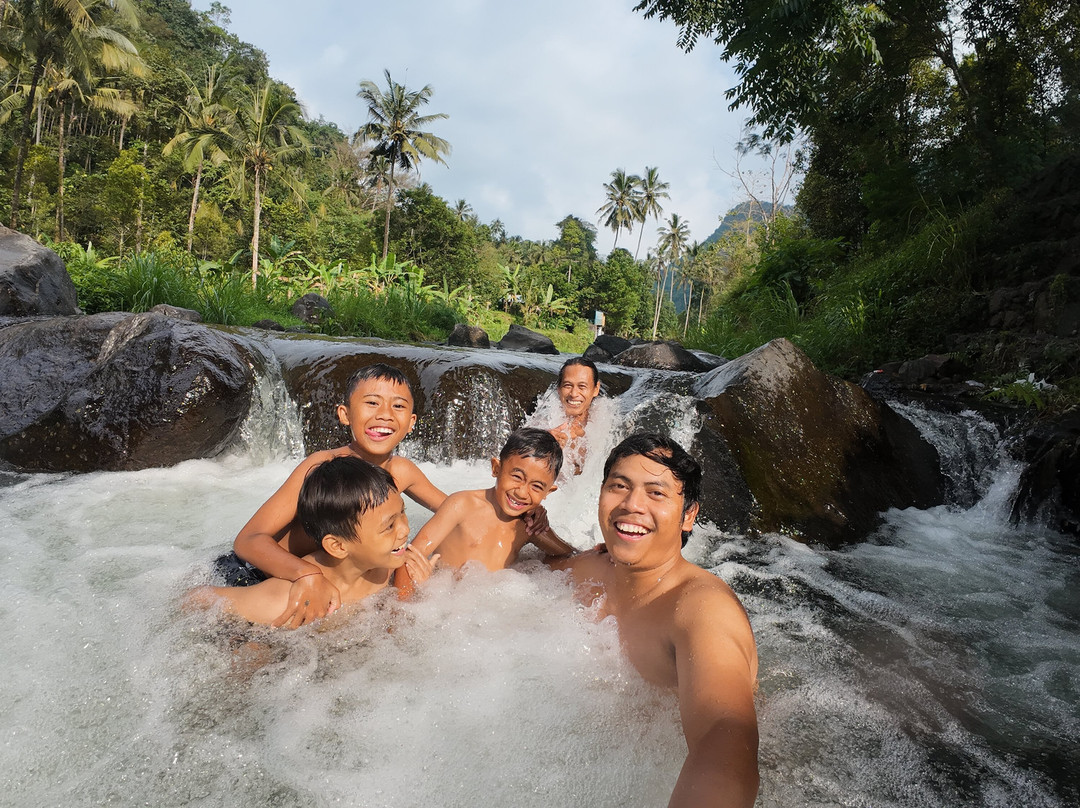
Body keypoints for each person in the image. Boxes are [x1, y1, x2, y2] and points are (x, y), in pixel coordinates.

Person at [552, 433, 759, 808]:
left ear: (689, 515)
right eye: (619, 486)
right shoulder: (593, 568)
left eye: (656, 493)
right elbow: (519, 570)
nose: (632, 505)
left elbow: (724, 743)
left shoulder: (701, 608)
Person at [229, 363, 447, 627]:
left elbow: (457, 510)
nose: (386, 415)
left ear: (412, 422)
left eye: (398, 406)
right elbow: (248, 540)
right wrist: (305, 574)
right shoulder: (321, 468)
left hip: (339, 578)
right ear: (345, 414)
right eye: (372, 403)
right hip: (264, 575)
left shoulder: (402, 471)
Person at [189, 456, 436, 625]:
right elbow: (195, 600)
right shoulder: (286, 598)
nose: (405, 529)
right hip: (243, 572)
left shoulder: (382, 565)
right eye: (390, 525)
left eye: (402, 512)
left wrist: (419, 588)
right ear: (339, 546)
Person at [410, 427, 576, 571]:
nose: (522, 493)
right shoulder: (461, 505)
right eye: (517, 477)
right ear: (496, 468)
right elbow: (412, 556)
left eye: (537, 487)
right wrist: (403, 604)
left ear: (548, 492)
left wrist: (543, 525)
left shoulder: (527, 526)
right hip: (441, 596)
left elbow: (567, 554)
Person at [549, 357, 601, 476]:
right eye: (567, 385)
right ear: (558, 389)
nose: (573, 394)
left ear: (596, 389)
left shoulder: (606, 421)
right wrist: (544, 444)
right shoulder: (546, 420)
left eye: (582, 386)